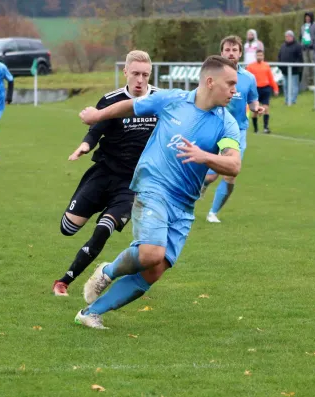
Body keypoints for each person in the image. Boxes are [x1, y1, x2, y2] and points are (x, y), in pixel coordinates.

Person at [75, 55, 242, 329]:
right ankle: (108, 271)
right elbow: (132, 106)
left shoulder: (226, 122)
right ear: (210, 82)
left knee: (154, 270)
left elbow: (233, 164)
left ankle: (90, 312)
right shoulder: (172, 100)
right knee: (151, 252)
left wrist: (204, 156)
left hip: (184, 204)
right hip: (153, 186)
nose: (235, 90)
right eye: (230, 83)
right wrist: (97, 115)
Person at [53, 51, 159, 297]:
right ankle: (99, 209)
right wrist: (84, 145)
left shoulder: (159, 100)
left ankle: (64, 281)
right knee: (68, 228)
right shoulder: (111, 100)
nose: (140, 80)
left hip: (133, 183)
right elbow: (96, 129)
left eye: (145, 74)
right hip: (103, 173)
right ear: (125, 73)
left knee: (104, 228)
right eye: (135, 74)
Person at [201, 35, 263, 224]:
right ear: (221, 53)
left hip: (237, 132)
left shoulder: (249, 78)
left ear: (240, 53)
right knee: (211, 175)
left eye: (234, 50)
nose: (230, 53)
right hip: (214, 128)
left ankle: (213, 212)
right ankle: (202, 183)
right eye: (227, 50)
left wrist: (256, 108)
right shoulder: (212, 77)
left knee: (230, 173)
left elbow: (252, 99)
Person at [246, 49, 279, 133]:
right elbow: (248, 79)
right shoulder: (250, 66)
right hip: (255, 90)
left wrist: (275, 88)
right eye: (258, 55)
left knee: (266, 108)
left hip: (265, 89)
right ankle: (256, 129)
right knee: (255, 110)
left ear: (263, 56)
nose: (259, 57)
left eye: (261, 55)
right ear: (255, 56)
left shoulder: (266, 66)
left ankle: (265, 127)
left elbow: (271, 78)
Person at [278, 30, 303, 105]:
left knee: (293, 86)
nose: (287, 38)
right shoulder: (283, 46)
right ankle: (287, 100)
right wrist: (280, 66)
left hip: (294, 71)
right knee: (285, 86)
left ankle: (292, 101)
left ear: (292, 37)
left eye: (289, 36)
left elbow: (300, 58)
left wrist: (295, 66)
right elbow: (279, 56)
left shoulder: (298, 46)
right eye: (286, 36)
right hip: (284, 70)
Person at [299, 11, 315, 90]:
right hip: (304, 48)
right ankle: (305, 83)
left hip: (312, 48)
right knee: (306, 65)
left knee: (313, 64)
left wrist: (314, 44)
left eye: (308, 17)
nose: (307, 18)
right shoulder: (303, 27)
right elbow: (301, 37)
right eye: (306, 17)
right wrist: (301, 45)